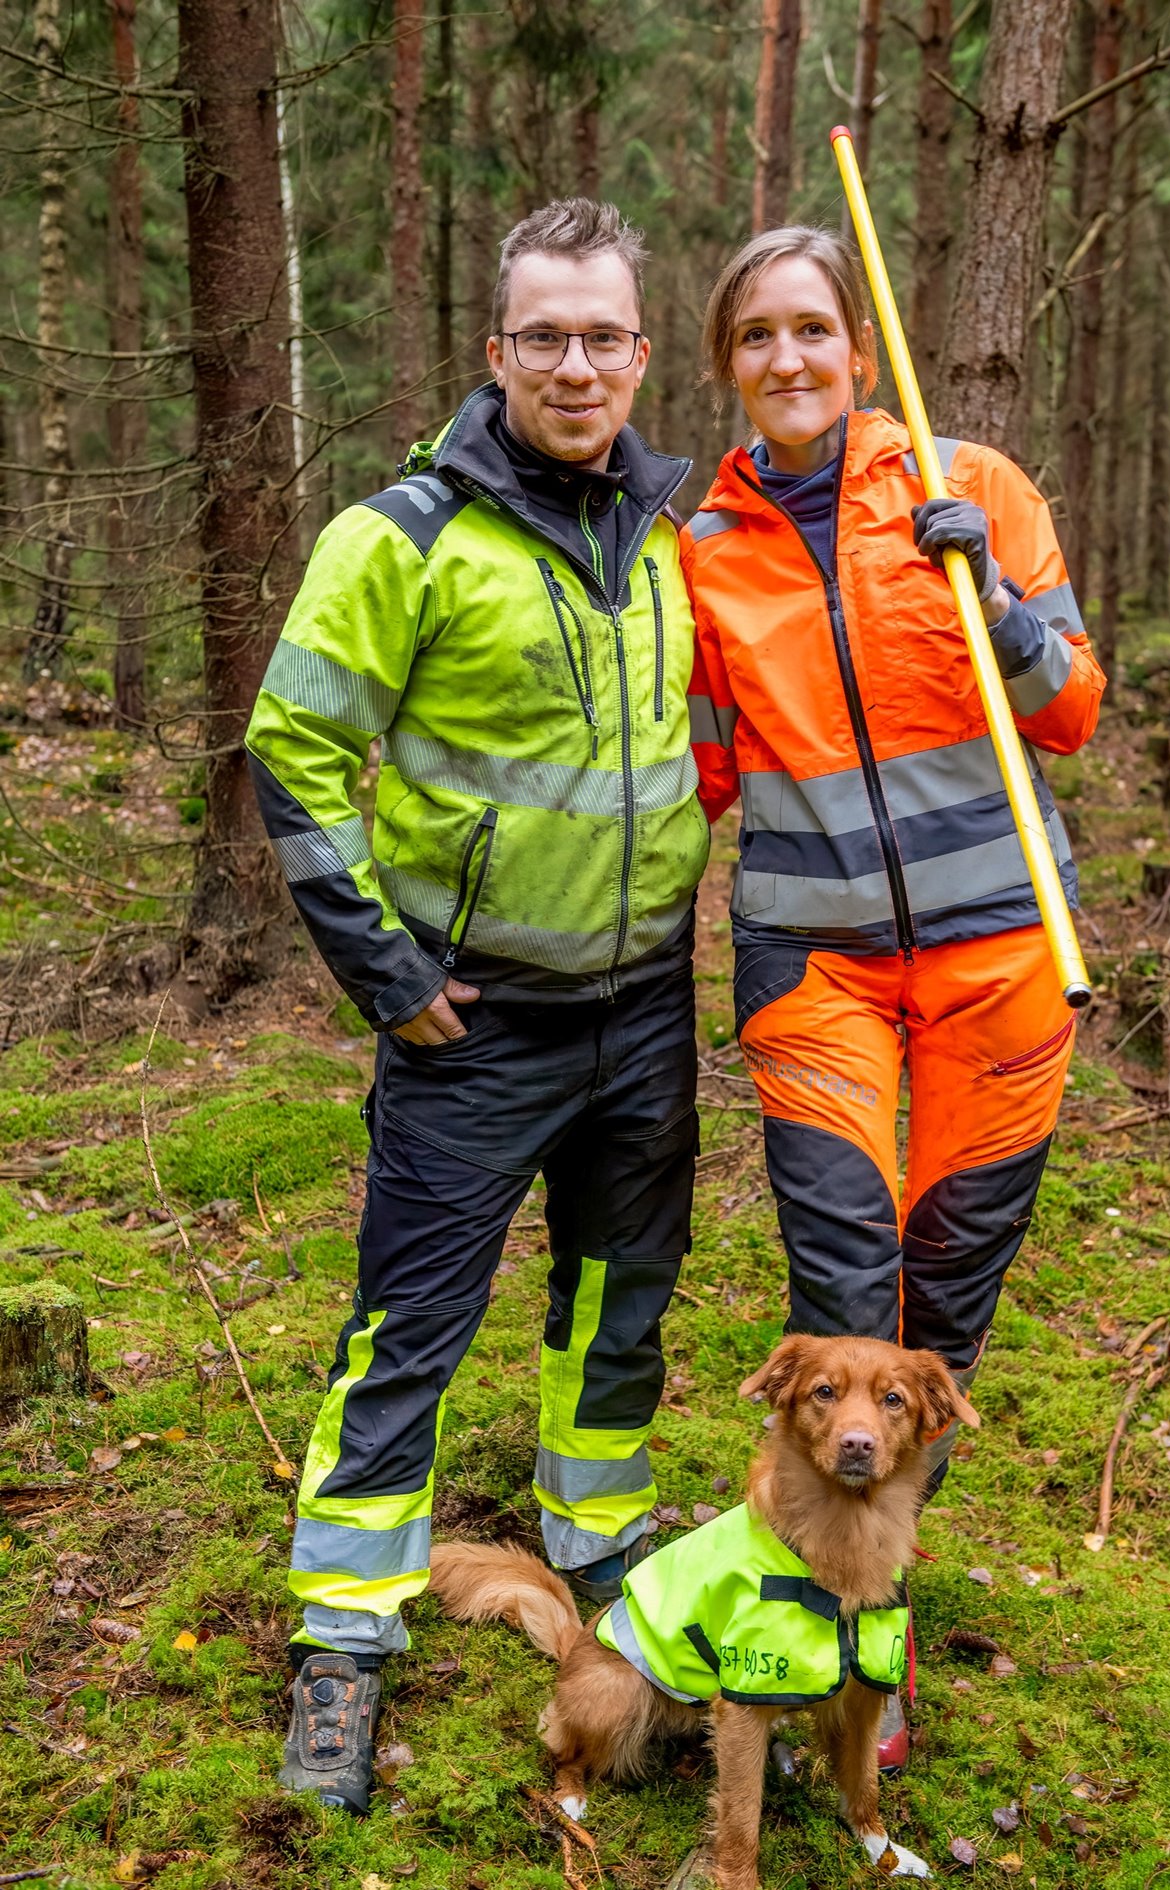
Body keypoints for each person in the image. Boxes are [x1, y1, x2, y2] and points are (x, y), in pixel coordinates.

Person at [245, 198, 711, 1813]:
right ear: (496, 350)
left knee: (621, 1301)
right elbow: (290, 753)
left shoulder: (669, 531)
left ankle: (599, 1538)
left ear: (641, 356)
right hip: (473, 1022)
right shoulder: (404, 534)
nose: (576, 363)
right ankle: (344, 1640)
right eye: (545, 336)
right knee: (410, 1332)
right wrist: (389, 973)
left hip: (644, 1007)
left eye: (603, 336)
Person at [682, 226, 1104, 1770]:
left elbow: (1070, 709)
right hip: (817, 965)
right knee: (847, 1275)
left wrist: (985, 589)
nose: (788, 359)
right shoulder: (702, 546)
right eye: (756, 337)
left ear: (857, 348)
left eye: (813, 329)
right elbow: (703, 770)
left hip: (1002, 947)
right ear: (728, 363)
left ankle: (880, 1595)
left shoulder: (972, 482)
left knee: (950, 1288)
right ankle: (823, 1631)